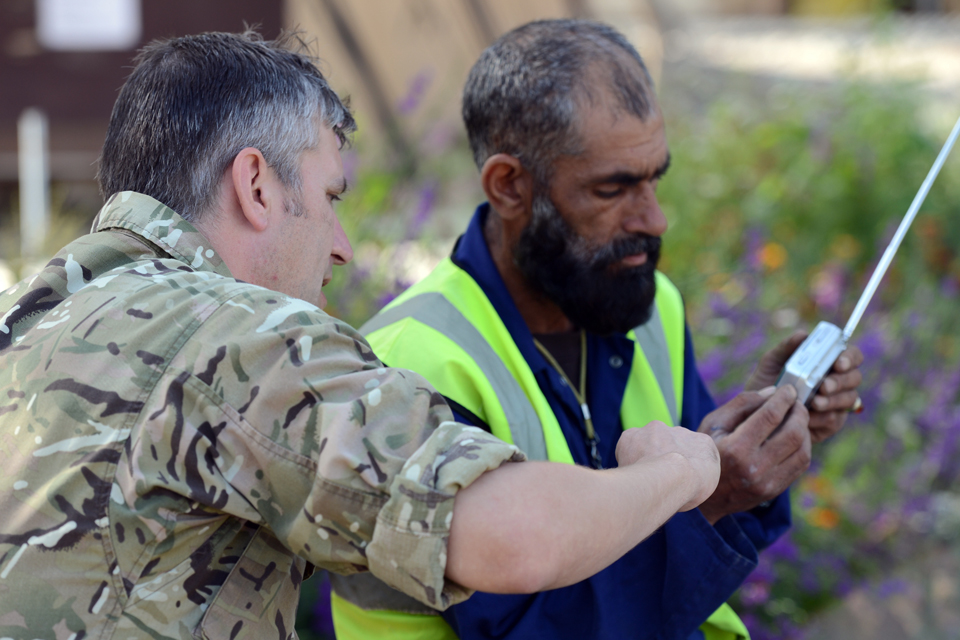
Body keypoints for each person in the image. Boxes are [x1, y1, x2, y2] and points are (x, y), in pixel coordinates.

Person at [0, 30, 724, 639]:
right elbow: (506, 536)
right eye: (330, 198)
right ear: (256, 186)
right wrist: (682, 470)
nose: (342, 245)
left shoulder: (34, 316)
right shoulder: (244, 337)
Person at [329, 19, 864, 640]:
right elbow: (536, 628)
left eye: (655, 178)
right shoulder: (407, 364)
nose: (656, 219)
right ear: (509, 186)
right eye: (614, 188)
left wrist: (758, 432)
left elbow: (685, 542)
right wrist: (715, 494)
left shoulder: (643, 300)